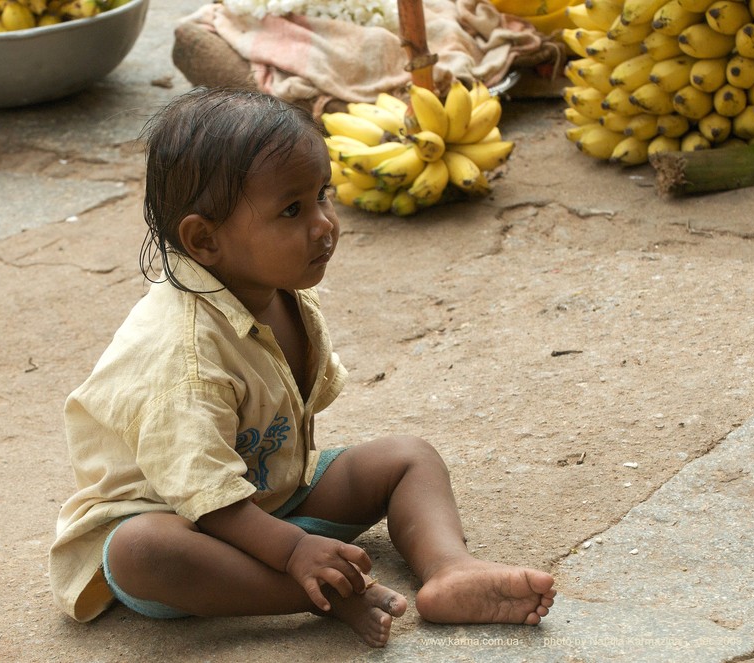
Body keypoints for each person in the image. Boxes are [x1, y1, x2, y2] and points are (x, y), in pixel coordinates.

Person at [48, 87, 556, 648]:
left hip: (274, 492)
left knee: (407, 457)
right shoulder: (180, 353)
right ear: (204, 239)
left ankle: (452, 569)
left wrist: (290, 533)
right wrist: (293, 553)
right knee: (143, 551)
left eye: (323, 195)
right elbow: (205, 497)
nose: (324, 224)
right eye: (292, 210)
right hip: (186, 523)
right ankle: (321, 595)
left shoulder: (278, 287)